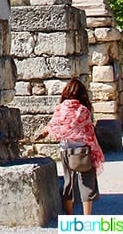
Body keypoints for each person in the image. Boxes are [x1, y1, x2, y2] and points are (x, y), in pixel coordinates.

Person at [35, 78, 104, 215]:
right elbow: (89, 131)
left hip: (66, 150)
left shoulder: (60, 109)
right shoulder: (84, 110)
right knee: (87, 182)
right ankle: (87, 217)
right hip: (83, 150)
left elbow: (51, 126)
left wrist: (41, 135)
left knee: (69, 182)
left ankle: (70, 215)